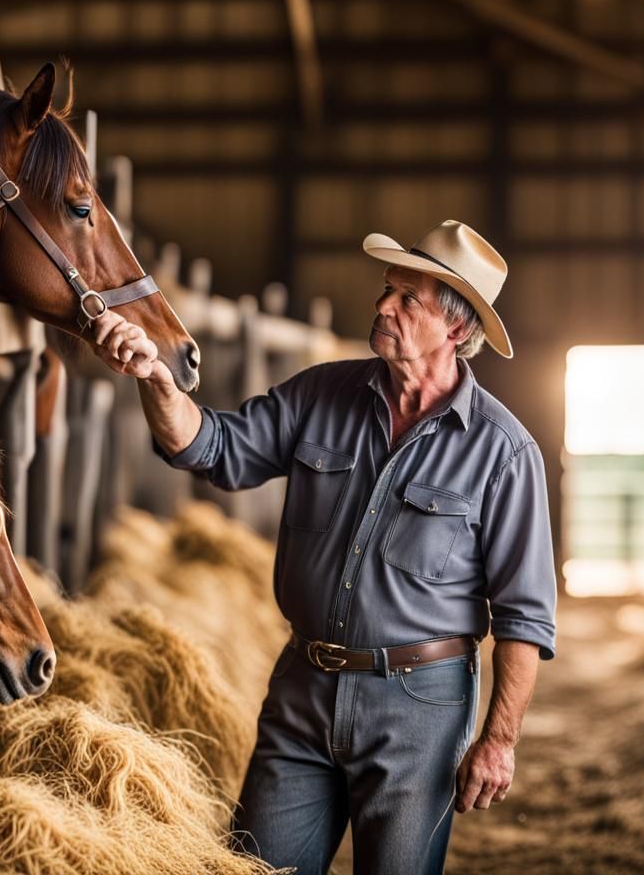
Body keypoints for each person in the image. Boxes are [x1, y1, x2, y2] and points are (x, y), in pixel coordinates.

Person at [89, 219, 557, 875]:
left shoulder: (503, 453)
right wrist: (158, 383)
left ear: (455, 330)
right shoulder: (322, 394)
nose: (382, 306)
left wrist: (499, 740)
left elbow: (525, 618)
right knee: (256, 867)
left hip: (420, 709)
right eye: (386, 289)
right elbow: (213, 448)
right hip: (302, 691)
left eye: (406, 299)